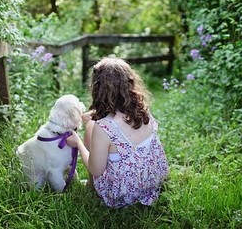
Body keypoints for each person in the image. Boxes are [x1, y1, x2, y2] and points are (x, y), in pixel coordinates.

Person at [66, 56, 169, 208]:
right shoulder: (143, 111)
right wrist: (95, 114)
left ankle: (91, 185)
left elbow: (96, 169)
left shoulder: (103, 127)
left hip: (123, 193)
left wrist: (78, 144)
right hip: (153, 181)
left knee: (90, 126)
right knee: (94, 125)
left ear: (98, 88)